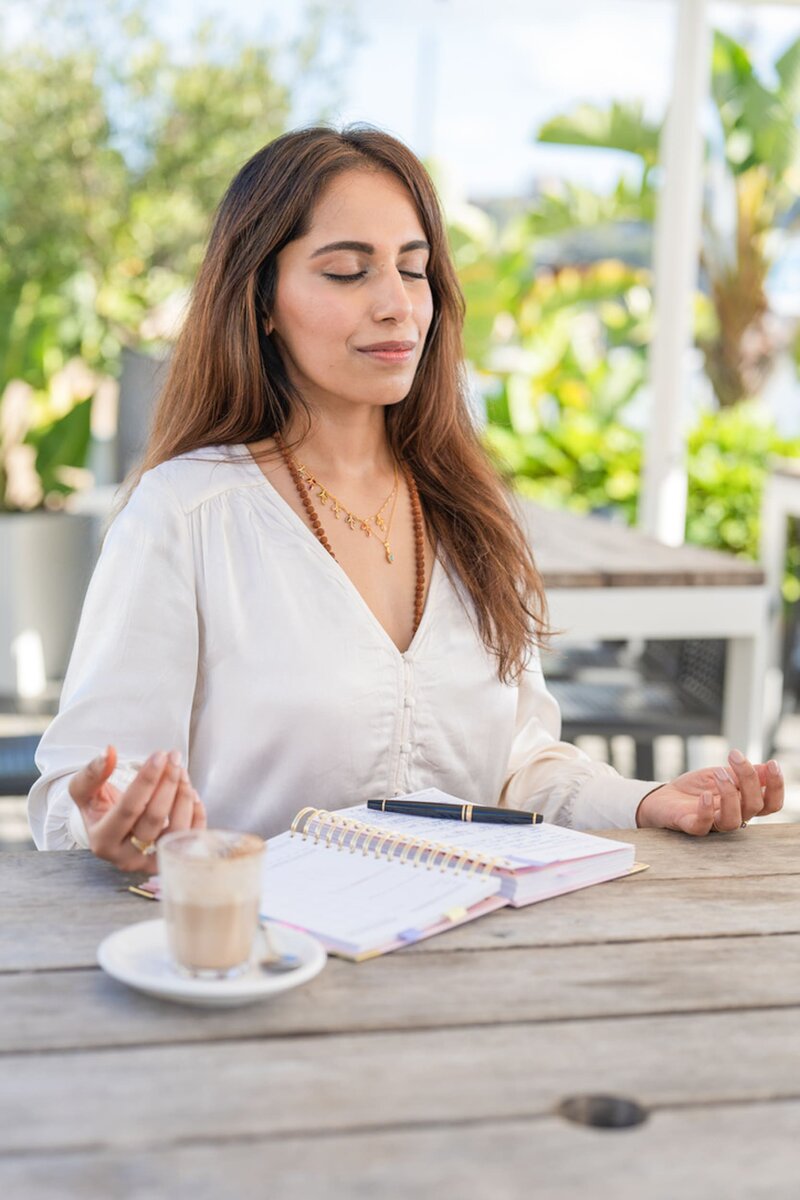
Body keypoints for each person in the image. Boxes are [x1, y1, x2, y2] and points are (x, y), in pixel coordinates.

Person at [28, 125, 784, 872]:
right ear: (261, 299)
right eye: (348, 271)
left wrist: (646, 802)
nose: (397, 305)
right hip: (267, 964)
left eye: (413, 270)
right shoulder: (183, 515)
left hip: (468, 956)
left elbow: (521, 767)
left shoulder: (469, 513)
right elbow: (81, 788)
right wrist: (112, 817)